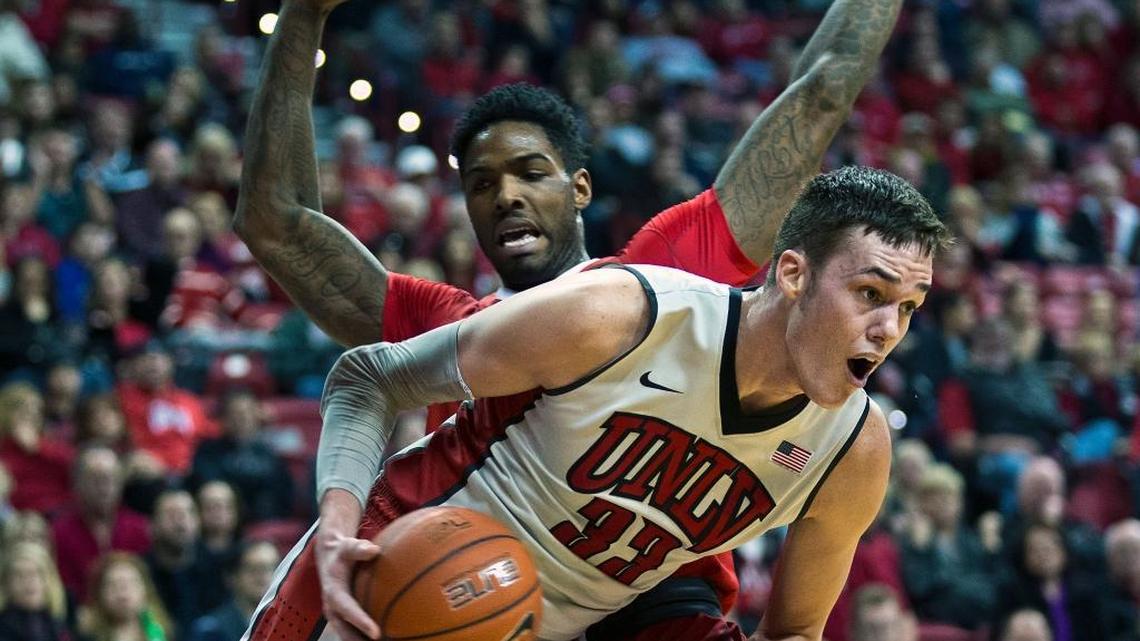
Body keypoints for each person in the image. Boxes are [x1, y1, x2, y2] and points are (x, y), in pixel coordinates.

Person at [234, 0, 906, 638]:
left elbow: (820, 96)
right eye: (481, 183)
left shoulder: (665, 273)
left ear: (579, 186)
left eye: (530, 172)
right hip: (478, 583)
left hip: (651, 602)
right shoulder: (446, 318)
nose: (507, 196)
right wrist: (301, 16)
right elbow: (277, 224)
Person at [243, 166, 951, 641]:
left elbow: (794, 630)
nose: (889, 330)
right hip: (390, 569)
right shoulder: (624, 316)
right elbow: (369, 376)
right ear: (793, 273)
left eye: (909, 307)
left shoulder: (853, 449)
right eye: (870, 294)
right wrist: (336, 531)